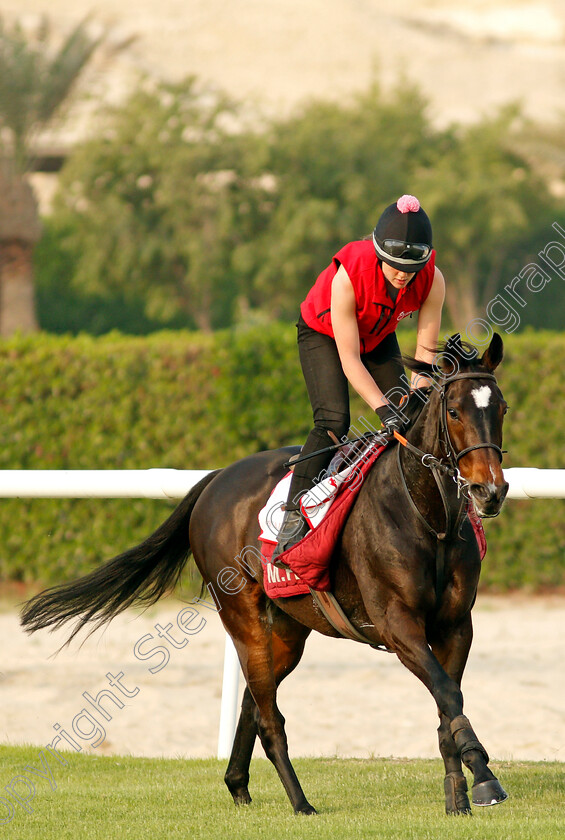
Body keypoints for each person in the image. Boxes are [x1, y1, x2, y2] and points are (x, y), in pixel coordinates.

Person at [272, 194, 445, 559]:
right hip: (324, 333)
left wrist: (413, 399)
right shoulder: (349, 275)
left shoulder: (433, 280)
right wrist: (383, 409)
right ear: (379, 253)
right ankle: (291, 514)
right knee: (334, 419)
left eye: (411, 268)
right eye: (394, 265)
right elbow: (350, 359)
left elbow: (424, 358)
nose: (403, 275)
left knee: (409, 416)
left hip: (378, 334)